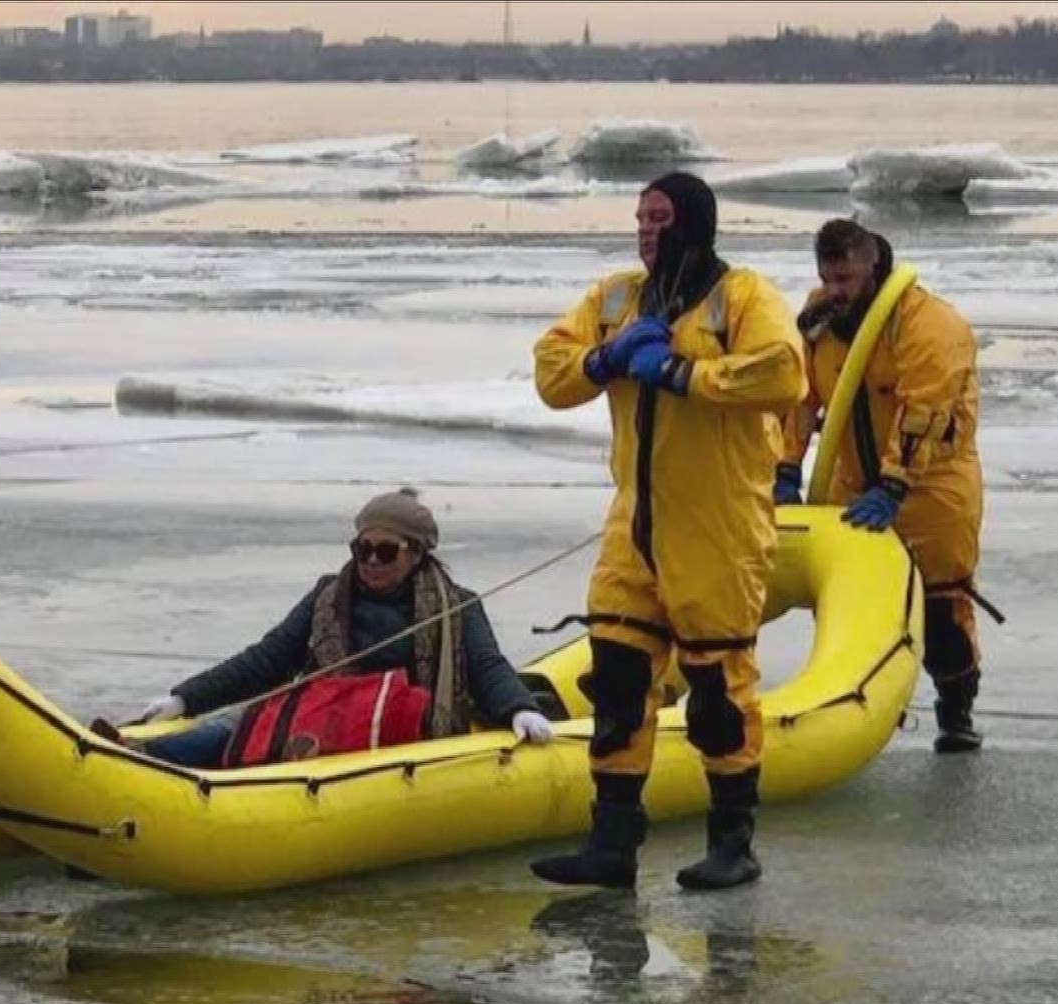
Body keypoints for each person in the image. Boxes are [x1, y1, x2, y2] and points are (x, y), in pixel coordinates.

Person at [527, 172, 807, 892]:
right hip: (634, 520)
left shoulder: (740, 297)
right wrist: (604, 359)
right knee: (618, 674)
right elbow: (552, 373)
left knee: (716, 686)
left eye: (660, 217)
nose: (646, 229)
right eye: (640, 217)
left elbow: (782, 375)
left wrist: (685, 374)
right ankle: (612, 842)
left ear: (693, 222)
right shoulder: (616, 300)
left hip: (718, 524)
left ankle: (732, 841)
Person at [107, 488, 554, 768]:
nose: (372, 562)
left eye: (386, 551)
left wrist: (518, 708)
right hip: (324, 713)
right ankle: (128, 758)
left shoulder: (457, 606)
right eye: (363, 549)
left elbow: (486, 665)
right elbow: (269, 658)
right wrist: (185, 697)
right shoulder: (328, 596)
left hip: (403, 726)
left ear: (417, 554)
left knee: (238, 733)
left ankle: (132, 766)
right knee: (238, 722)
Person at [779, 219, 993, 753]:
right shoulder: (818, 320)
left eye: (846, 278)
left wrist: (894, 486)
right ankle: (867, 702)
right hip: (853, 484)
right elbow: (799, 398)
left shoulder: (929, 326)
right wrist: (784, 467)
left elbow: (926, 411)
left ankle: (956, 709)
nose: (836, 290)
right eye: (827, 277)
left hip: (932, 488)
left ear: (873, 266)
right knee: (860, 607)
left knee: (941, 607)